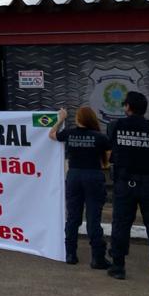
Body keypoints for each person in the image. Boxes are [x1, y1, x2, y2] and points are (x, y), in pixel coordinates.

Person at [105, 91, 149, 285]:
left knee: (120, 225)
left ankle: (118, 266)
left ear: (127, 107)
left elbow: (111, 143)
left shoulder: (115, 126)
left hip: (124, 184)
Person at [49, 106, 111, 268]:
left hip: (74, 177)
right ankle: (97, 258)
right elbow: (111, 150)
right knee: (93, 218)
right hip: (93, 177)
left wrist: (61, 119)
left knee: (73, 217)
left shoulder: (69, 134)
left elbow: (52, 135)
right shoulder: (99, 137)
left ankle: (70, 254)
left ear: (78, 119)